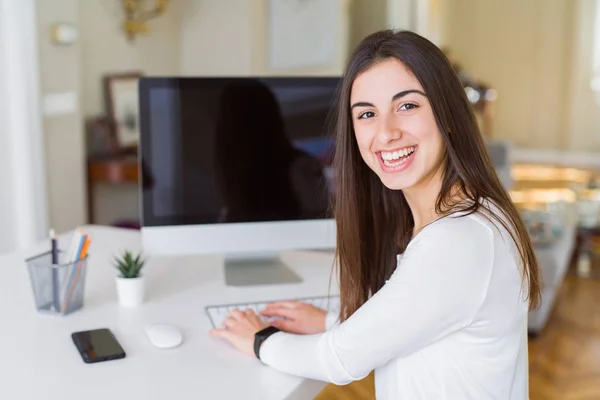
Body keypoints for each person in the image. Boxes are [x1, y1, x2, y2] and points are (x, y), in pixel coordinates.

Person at [209, 30, 540, 400]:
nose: (385, 133)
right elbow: (416, 320)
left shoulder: (456, 241)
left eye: (407, 106)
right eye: (367, 114)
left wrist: (259, 340)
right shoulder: (471, 215)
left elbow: (335, 361)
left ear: (448, 114)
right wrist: (330, 322)